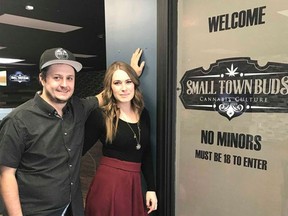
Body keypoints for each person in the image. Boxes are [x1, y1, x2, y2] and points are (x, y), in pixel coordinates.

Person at [0, 47, 144, 216]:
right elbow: (6, 174)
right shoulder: (18, 121)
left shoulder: (78, 107)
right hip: (35, 211)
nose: (64, 84)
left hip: (72, 208)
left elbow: (106, 94)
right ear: (42, 79)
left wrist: (129, 75)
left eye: (70, 78)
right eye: (57, 77)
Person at [83, 61, 157, 216]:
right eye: (117, 83)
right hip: (109, 185)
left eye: (128, 81)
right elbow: (78, 150)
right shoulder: (101, 116)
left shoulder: (144, 114)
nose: (124, 88)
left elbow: (147, 153)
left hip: (134, 183)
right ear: (110, 88)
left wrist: (151, 188)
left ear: (135, 84)